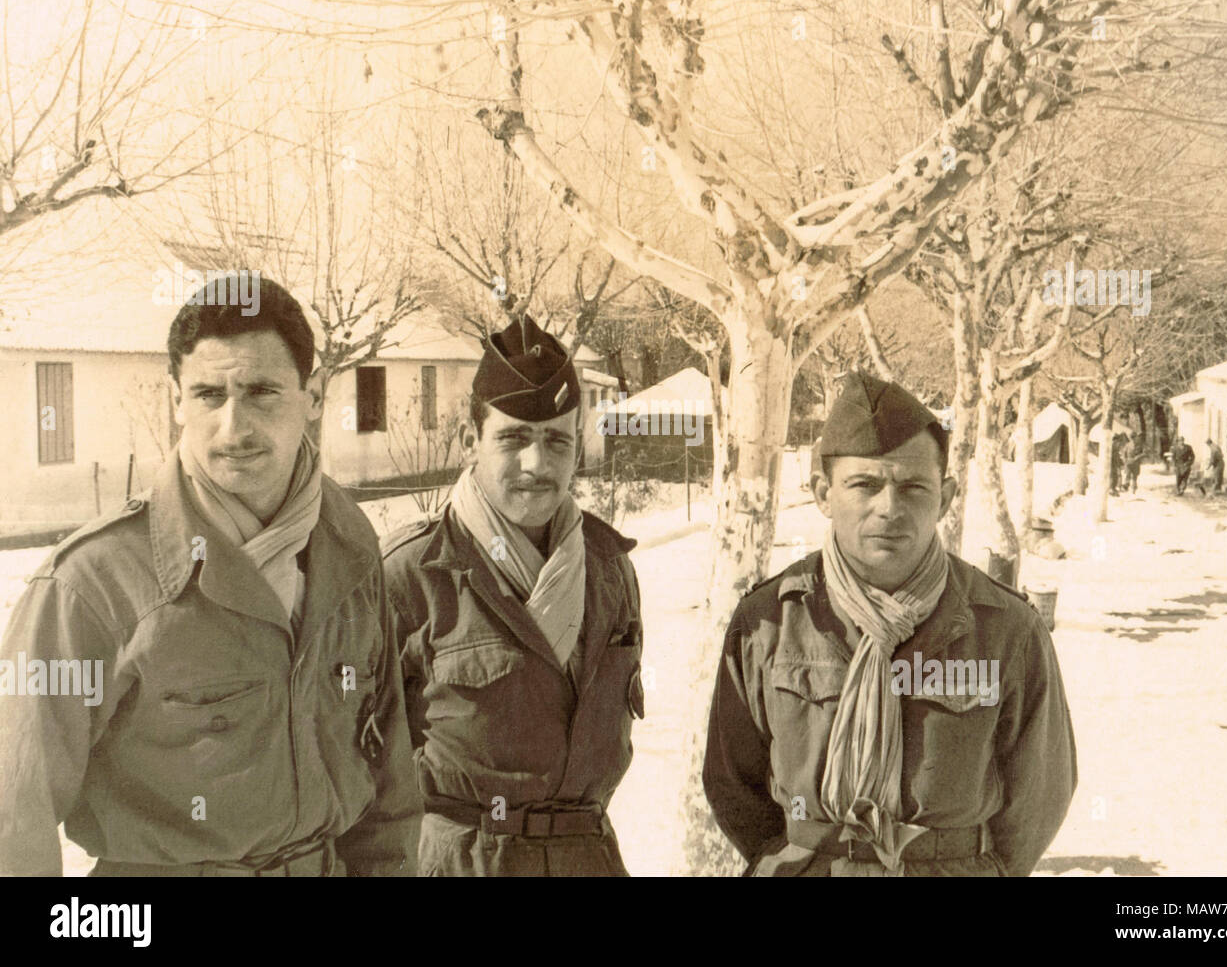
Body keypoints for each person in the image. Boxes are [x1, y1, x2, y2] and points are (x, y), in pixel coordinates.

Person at [0, 275, 421, 876]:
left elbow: (388, 785)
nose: (234, 428)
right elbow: (14, 819)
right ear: (175, 399)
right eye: (208, 395)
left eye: (261, 392)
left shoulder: (349, 544)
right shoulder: (91, 585)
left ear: (315, 394)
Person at [702, 372, 1076, 877]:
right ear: (823, 493)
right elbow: (733, 784)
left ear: (944, 499)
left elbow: (1040, 795)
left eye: (912, 487)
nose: (889, 508)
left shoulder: (1005, 628)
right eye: (864, 485)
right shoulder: (770, 621)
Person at [383, 314, 644, 876]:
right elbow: (357, 770)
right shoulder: (412, 575)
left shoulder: (609, 568)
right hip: (463, 862)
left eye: (557, 441)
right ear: (468, 440)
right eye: (513, 438)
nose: (537, 464)